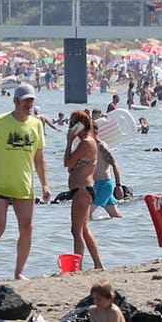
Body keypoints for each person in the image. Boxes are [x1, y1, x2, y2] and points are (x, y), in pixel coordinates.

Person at [0, 84, 51, 281]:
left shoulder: (36, 125)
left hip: (24, 185)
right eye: (25, 100)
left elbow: (39, 158)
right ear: (16, 101)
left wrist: (45, 184)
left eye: (31, 100)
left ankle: (19, 272)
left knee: (27, 228)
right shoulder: (0, 122)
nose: (29, 104)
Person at [63, 112, 103, 271]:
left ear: (80, 124)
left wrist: (69, 142)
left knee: (76, 230)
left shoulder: (86, 142)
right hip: (83, 190)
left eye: (73, 124)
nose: (70, 127)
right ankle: (98, 264)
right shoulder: (87, 142)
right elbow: (71, 165)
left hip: (82, 190)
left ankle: (76, 267)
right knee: (84, 229)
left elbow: (67, 163)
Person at [92, 139, 123, 221]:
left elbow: (114, 164)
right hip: (98, 185)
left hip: (103, 185)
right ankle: (127, 230)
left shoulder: (101, 146)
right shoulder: (88, 145)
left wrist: (118, 185)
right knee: (115, 215)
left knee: (85, 215)